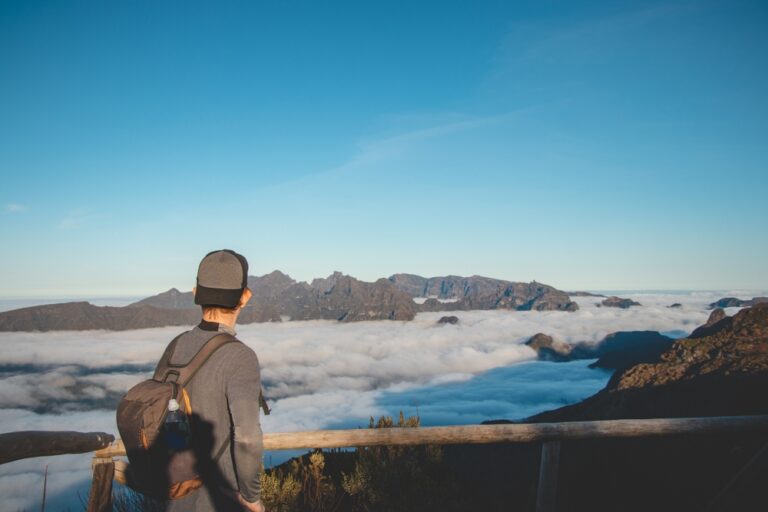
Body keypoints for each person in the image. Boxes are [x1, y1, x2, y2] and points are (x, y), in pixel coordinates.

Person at [165, 249, 265, 512]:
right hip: (220, 501)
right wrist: (251, 498)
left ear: (195, 292)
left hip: (173, 496)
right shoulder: (240, 356)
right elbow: (247, 439)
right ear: (245, 297)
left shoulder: (175, 347)